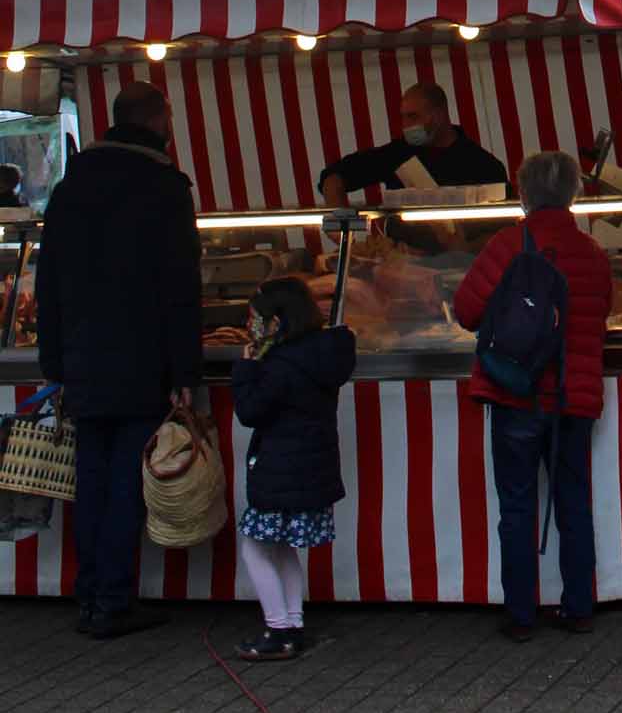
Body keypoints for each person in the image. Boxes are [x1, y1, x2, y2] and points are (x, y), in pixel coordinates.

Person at [35, 83, 202, 639]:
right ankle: (113, 601)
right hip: (139, 358)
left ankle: (90, 595)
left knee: (92, 479)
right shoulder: (163, 187)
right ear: (157, 121)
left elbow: (48, 279)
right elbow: (181, 287)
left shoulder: (69, 188)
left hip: (82, 359)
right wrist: (185, 372)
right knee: (126, 480)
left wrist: (54, 362)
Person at [454, 150, 612, 641]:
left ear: (522, 193)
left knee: (517, 506)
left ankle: (521, 616)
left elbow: (465, 310)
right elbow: (601, 312)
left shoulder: (505, 245)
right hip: (572, 397)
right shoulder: (591, 252)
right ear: (573, 193)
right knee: (574, 502)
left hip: (515, 394)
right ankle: (579, 608)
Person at [231, 275, 355, 661]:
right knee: (283, 547)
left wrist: (246, 369)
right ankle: (293, 624)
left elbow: (250, 411)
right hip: (309, 467)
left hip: (279, 469)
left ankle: (278, 628)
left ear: (277, 320)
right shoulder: (321, 354)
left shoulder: (280, 366)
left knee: (255, 547)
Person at [318, 81, 506, 205]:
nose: (406, 125)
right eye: (404, 118)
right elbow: (334, 178)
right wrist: (339, 225)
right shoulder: (398, 153)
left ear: (440, 114)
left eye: (413, 117)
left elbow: (499, 228)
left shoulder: (484, 165)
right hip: (400, 260)